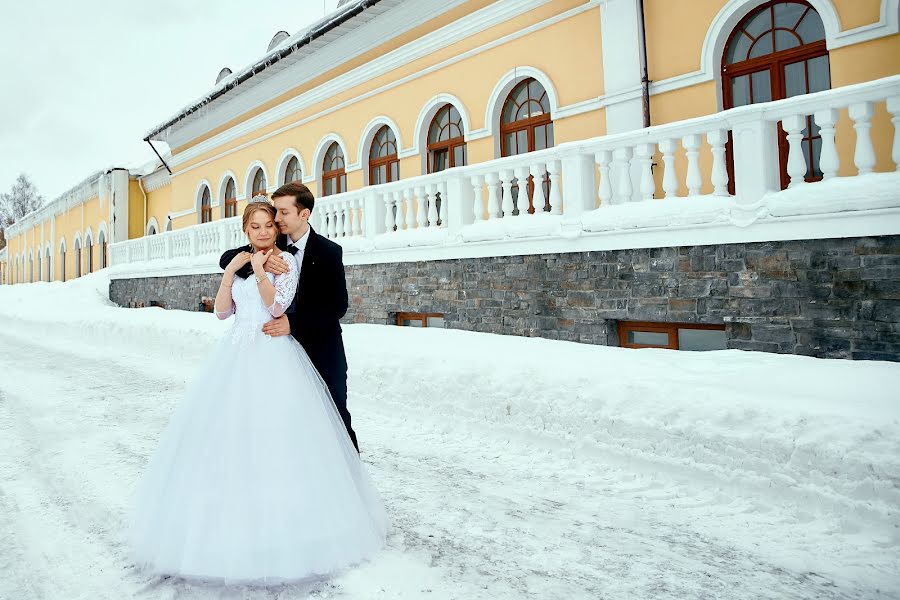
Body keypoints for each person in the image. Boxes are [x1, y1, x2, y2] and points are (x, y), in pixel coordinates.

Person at [129, 199, 387, 584]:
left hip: (289, 351)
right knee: (228, 438)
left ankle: (335, 507)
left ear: (301, 215)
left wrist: (265, 276)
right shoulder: (249, 255)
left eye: (276, 219)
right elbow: (222, 308)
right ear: (247, 230)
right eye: (261, 224)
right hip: (236, 356)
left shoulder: (304, 256)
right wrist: (237, 268)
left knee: (313, 430)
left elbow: (298, 305)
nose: (270, 227)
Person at [219, 182, 359, 452]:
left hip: (320, 345)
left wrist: (293, 323)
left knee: (334, 409)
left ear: (303, 214)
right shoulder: (270, 243)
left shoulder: (329, 252)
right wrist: (253, 259)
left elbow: (337, 306)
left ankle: (350, 473)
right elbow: (227, 258)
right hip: (277, 349)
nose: (276, 219)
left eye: (283, 212)